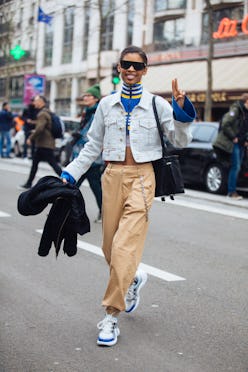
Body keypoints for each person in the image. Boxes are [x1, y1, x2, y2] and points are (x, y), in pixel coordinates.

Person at [61, 46, 196, 346]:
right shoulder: (106, 105)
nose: (131, 69)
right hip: (111, 176)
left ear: (145, 70)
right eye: (126, 64)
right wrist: (70, 172)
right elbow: (92, 145)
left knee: (123, 246)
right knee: (109, 247)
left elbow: (179, 140)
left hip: (143, 178)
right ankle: (133, 279)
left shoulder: (156, 104)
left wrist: (182, 111)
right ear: (119, 68)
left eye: (137, 65)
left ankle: (111, 315)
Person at [72, 84, 103, 223]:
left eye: (89, 96)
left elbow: (94, 135)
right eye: (85, 95)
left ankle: (104, 212)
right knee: (73, 185)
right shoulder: (87, 111)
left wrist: (79, 135)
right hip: (82, 155)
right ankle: (66, 212)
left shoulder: (97, 112)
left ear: (96, 99)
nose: (85, 97)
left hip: (92, 157)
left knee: (95, 187)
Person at [19, 95, 62, 189]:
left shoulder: (42, 113)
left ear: (42, 102)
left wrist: (31, 137)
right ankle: (29, 183)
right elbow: (43, 126)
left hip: (45, 144)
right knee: (36, 164)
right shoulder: (48, 112)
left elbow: (40, 128)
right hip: (46, 143)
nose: (34, 103)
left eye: (36, 101)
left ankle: (66, 179)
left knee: (53, 164)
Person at [213, 93, 248, 200]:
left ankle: (232, 190)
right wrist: (234, 137)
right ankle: (231, 192)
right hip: (233, 144)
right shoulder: (237, 109)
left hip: (241, 144)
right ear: (246, 101)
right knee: (235, 167)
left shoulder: (246, 113)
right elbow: (225, 123)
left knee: (237, 167)